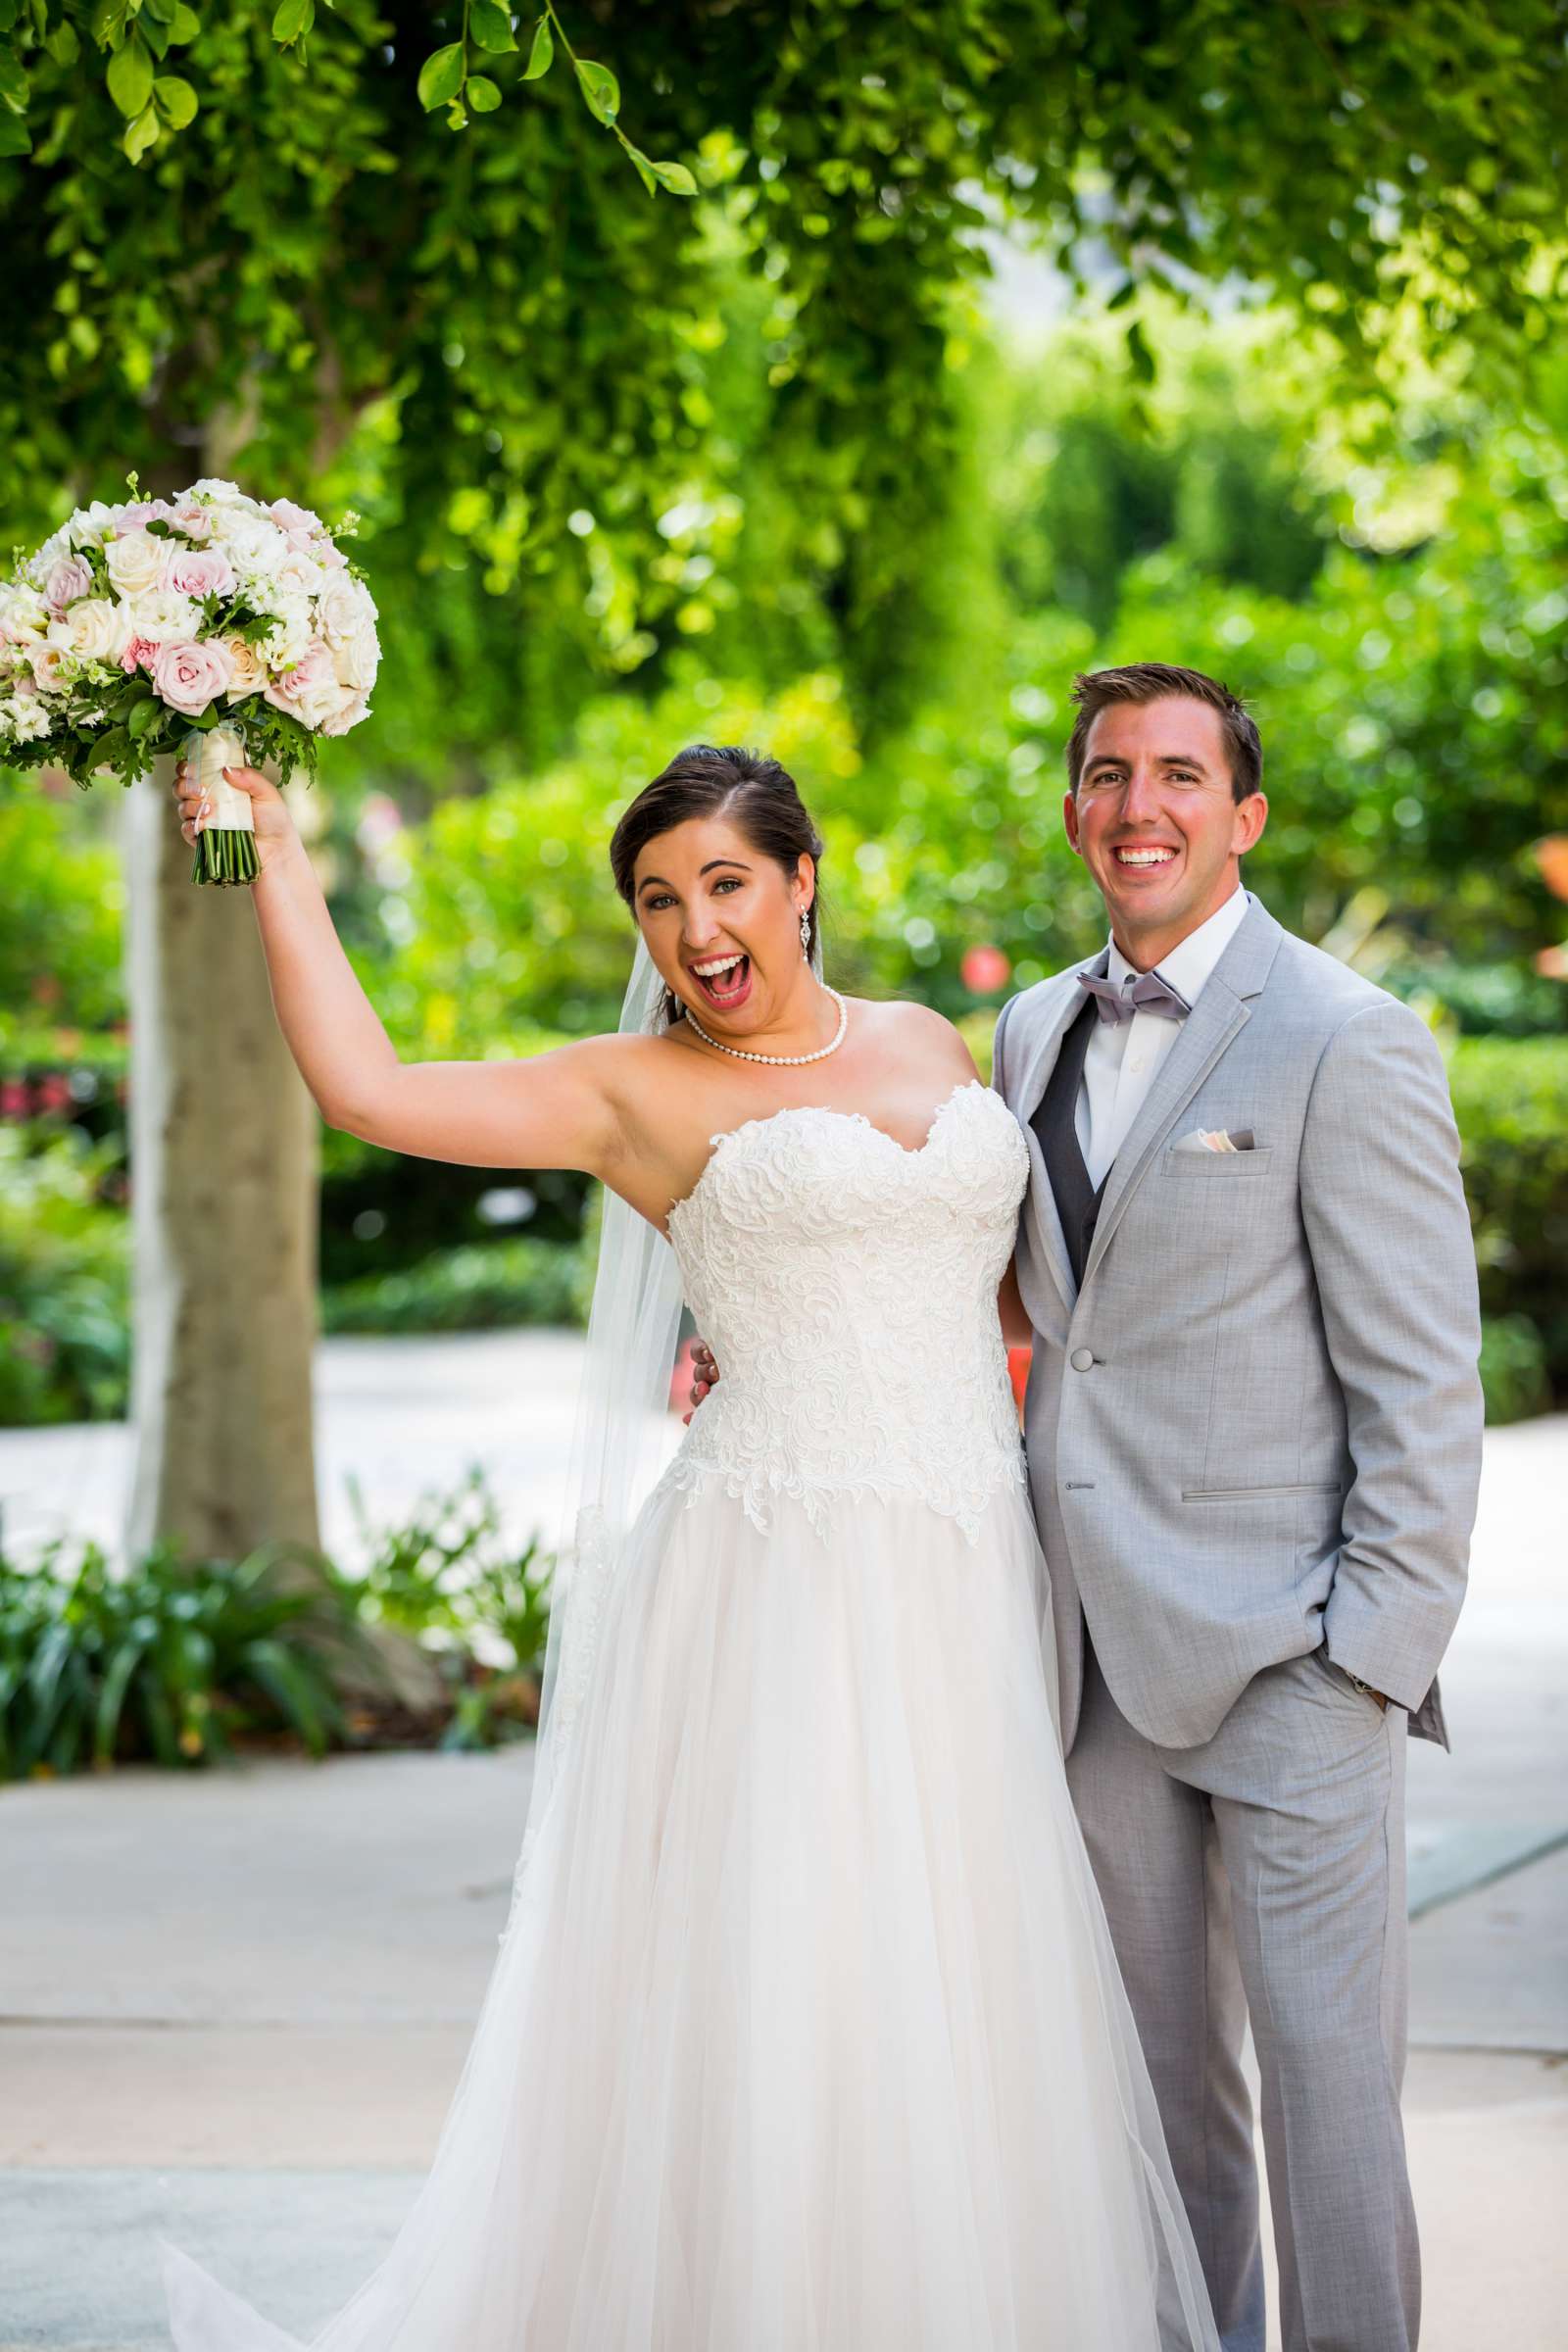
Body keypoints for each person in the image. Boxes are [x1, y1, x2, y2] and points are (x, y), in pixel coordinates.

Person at [158, 740, 1221, 2349]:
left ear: (801, 882)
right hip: (774, 1586)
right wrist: (275, 851)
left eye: (725, 883)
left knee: (950, 1993)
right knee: (781, 1982)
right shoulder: (630, 1091)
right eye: (659, 901)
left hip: (965, 1574)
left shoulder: (935, 1040)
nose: (695, 928)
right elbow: (368, 1091)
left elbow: (994, 1290)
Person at [986, 663, 1482, 2352]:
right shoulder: (1030, 1027)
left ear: (1243, 818)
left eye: (1181, 776)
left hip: (1294, 1663)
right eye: (1111, 774)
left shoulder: (1351, 1036)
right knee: (1163, 2118)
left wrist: (1371, 1657)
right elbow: (1021, 1302)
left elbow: (1425, 1386)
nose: (1142, 807)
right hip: (1101, 1663)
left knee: (1333, 2115)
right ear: (1075, 812)